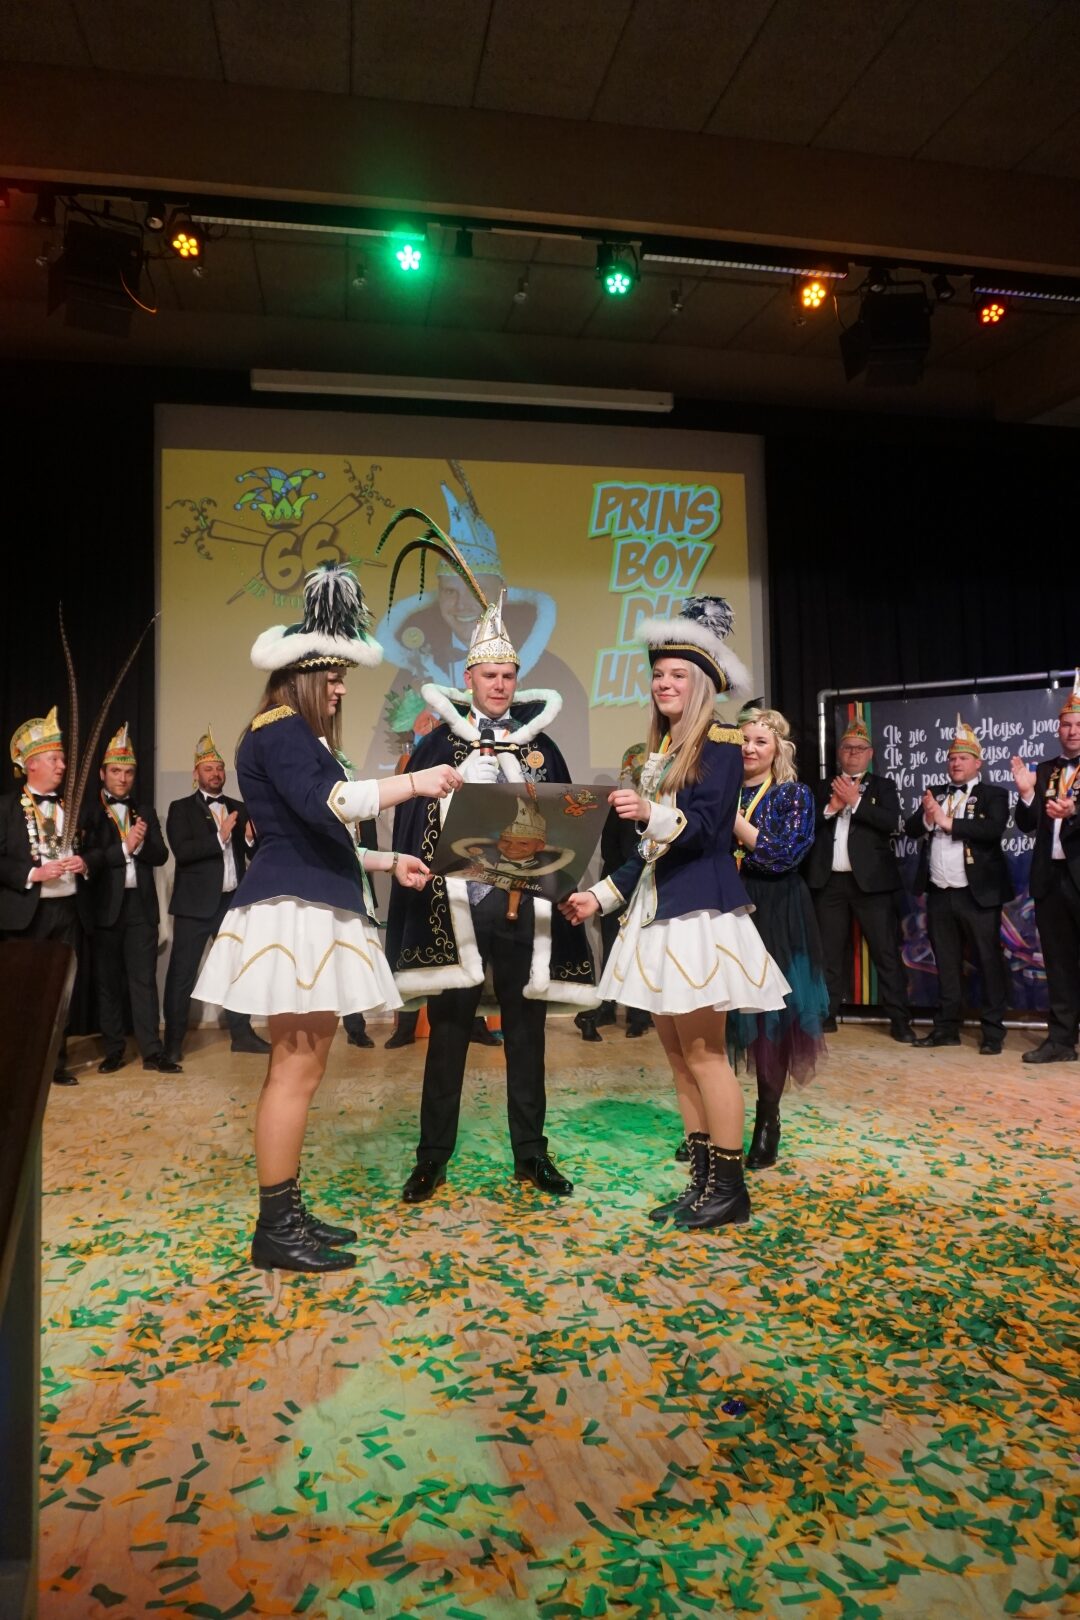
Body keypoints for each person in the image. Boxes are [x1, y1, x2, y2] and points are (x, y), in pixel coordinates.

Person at [193, 563, 458, 1273]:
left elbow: (316, 833)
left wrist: (386, 863)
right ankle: (277, 1227)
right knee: (295, 1070)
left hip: (309, 898)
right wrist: (416, 781)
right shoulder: (281, 728)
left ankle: (286, 1212)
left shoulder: (294, 736)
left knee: (300, 1067)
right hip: (297, 911)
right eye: (334, 677)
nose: (341, 689)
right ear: (304, 675)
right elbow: (332, 807)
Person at [561, 598, 790, 1232]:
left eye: (677, 675)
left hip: (698, 918)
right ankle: (703, 1184)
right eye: (658, 674)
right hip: (658, 917)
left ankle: (730, 1191)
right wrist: (602, 896)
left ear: (703, 684)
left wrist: (650, 812)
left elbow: (709, 830)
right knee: (680, 1059)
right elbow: (650, 851)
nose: (664, 683)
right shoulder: (665, 750)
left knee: (707, 1055)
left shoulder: (721, 742)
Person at [387, 590, 595, 1203]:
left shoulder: (540, 747)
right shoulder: (436, 746)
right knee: (448, 1034)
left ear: (515, 679)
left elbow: (564, 819)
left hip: (523, 911)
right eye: (489, 676)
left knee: (526, 1036)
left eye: (507, 676)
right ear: (469, 679)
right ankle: (431, 1158)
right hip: (459, 910)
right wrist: (455, 797)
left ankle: (532, 1154)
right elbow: (413, 824)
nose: (499, 685)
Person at [728, 707, 828, 1169]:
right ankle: (708, 1124)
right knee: (716, 1016)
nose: (749, 749)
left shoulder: (793, 794)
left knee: (771, 1020)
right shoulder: (721, 789)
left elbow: (781, 856)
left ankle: (767, 1120)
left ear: (777, 750)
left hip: (776, 911)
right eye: (744, 740)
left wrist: (731, 821)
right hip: (723, 906)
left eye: (760, 741)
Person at [162, 726, 270, 1065]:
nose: (216, 774)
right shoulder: (180, 808)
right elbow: (183, 852)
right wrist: (220, 837)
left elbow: (252, 852)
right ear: (196, 774)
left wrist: (249, 838)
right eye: (209, 769)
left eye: (220, 768)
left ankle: (242, 1035)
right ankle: (173, 1044)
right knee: (182, 976)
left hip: (230, 903)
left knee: (237, 970)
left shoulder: (239, 807)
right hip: (194, 906)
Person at [804, 717, 915, 1043]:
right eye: (847, 748)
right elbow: (805, 827)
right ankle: (826, 1015)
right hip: (829, 883)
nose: (852, 753)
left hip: (872, 885)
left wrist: (855, 802)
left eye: (859, 748)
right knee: (828, 954)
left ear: (870, 754)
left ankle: (900, 1020)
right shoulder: (821, 787)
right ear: (839, 753)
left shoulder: (883, 787)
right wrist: (831, 807)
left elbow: (892, 822)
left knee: (886, 953)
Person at [906, 716, 1012, 1055]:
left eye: (963, 758)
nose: (955, 763)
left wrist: (946, 821)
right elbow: (911, 829)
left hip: (977, 894)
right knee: (946, 962)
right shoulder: (935, 793)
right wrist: (928, 817)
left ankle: (993, 1032)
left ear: (978, 763)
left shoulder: (994, 794)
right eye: (952, 758)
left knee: (988, 962)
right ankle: (946, 1028)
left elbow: (992, 830)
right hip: (940, 892)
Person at [0, 706, 89, 1084]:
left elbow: (90, 850)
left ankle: (56, 1065)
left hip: (67, 909)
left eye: (63, 759)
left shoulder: (71, 807)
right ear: (32, 764)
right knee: (23, 991)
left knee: (60, 989)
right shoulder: (6, 807)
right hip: (27, 912)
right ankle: (19, 1065)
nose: (63, 766)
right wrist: (32, 874)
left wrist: (84, 863)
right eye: (55, 759)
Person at [80, 724, 176, 1075]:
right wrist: (125, 846)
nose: (123, 779)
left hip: (140, 908)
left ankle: (152, 1051)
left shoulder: (144, 812)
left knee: (144, 980)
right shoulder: (89, 813)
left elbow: (161, 856)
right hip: (105, 907)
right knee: (108, 983)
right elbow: (88, 860)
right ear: (102, 773)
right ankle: (114, 1050)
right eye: (116, 771)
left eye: (129, 772)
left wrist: (141, 843)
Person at [1012, 670, 1080, 1064]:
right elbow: (1027, 823)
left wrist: (1074, 812)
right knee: (1059, 963)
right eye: (1066, 725)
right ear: (1058, 729)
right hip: (1051, 879)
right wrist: (1026, 794)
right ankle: (1061, 1040)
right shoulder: (1046, 770)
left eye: (1078, 725)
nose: (1072, 731)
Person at [574, 742, 653, 1043]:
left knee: (641, 951)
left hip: (645, 888)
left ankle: (639, 1015)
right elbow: (609, 849)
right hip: (616, 886)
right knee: (612, 948)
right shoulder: (618, 807)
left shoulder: (659, 808)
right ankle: (607, 1007)